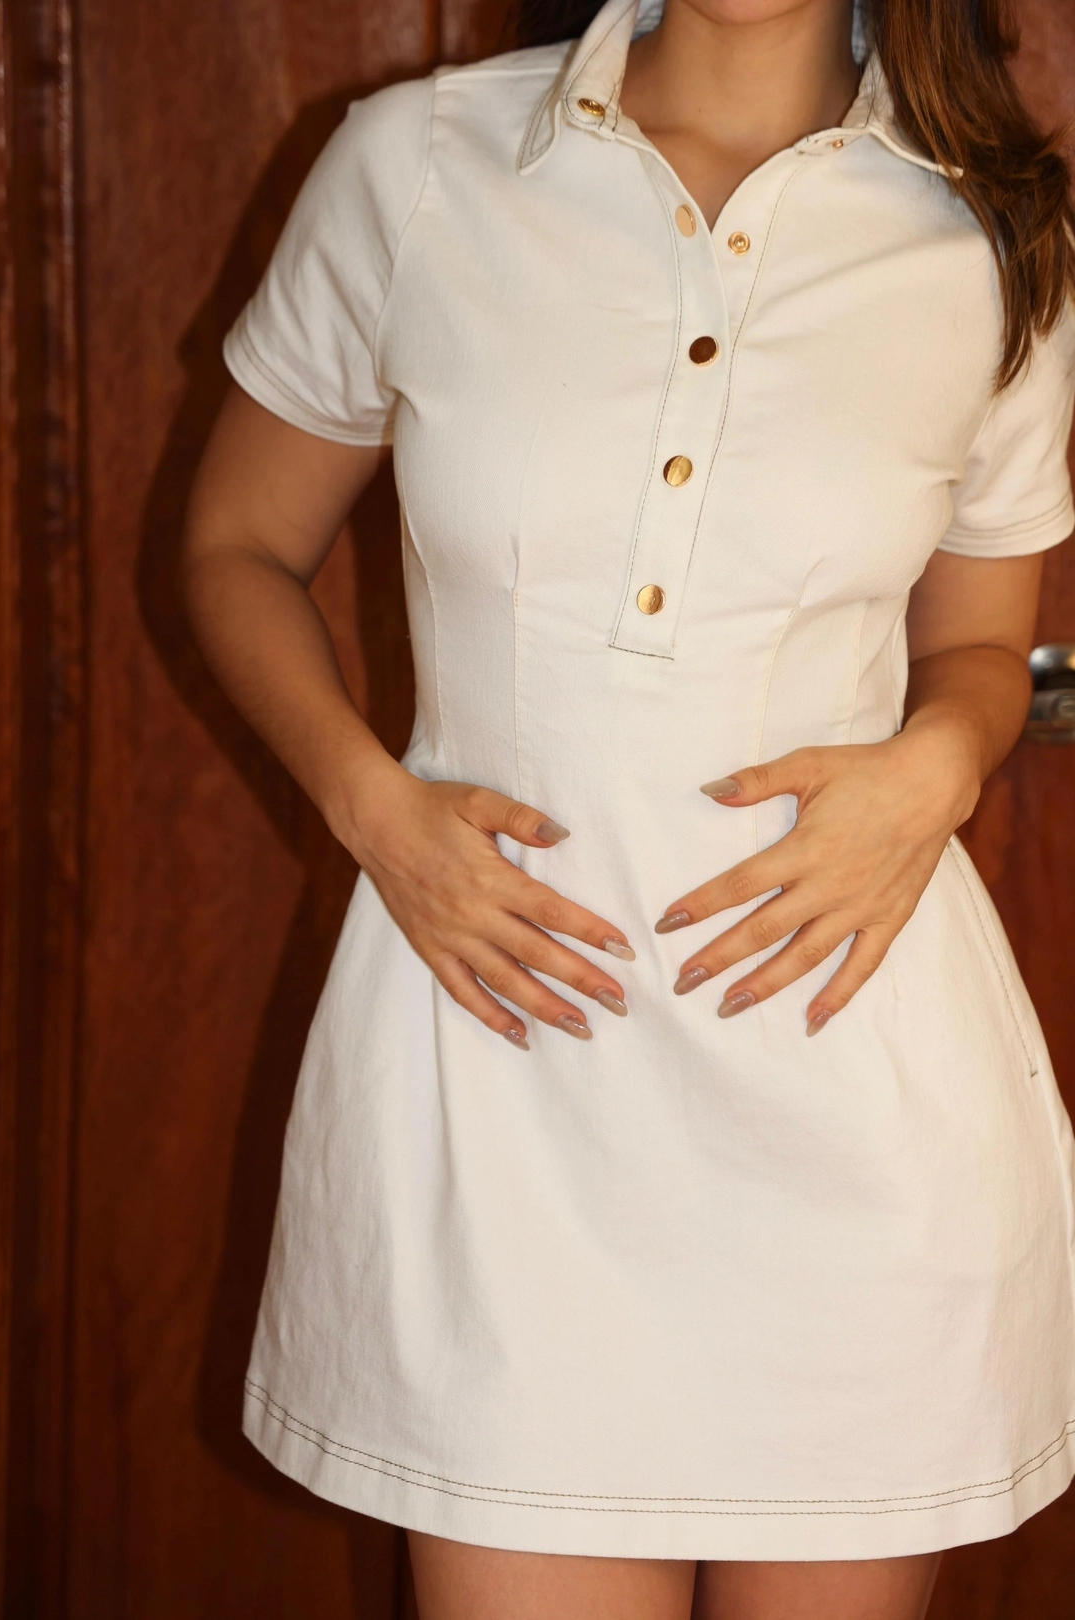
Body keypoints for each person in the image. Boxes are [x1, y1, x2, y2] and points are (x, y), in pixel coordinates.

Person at [184, 0, 1075, 1613]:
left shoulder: (999, 232)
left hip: (850, 1085)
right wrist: (376, 811)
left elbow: (977, 651)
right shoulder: (420, 165)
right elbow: (237, 546)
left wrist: (937, 770)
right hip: (503, 1071)